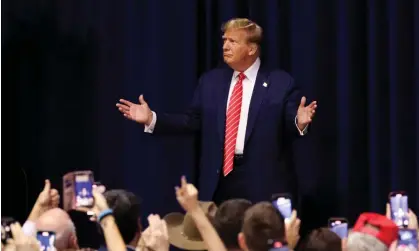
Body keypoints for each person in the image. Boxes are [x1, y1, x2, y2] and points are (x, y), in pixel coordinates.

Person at [116, 18, 317, 204]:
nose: (225, 46)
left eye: (232, 41)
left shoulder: (280, 83)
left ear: (251, 48)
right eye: (224, 40)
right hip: (219, 180)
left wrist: (299, 123)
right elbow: (192, 121)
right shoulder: (211, 81)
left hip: (262, 184)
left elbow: (290, 123)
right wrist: (152, 119)